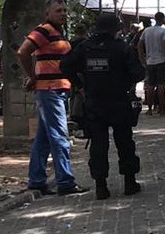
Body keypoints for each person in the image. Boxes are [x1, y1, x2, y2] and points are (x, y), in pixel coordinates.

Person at [60, 14, 146, 200]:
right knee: (124, 141)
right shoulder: (122, 48)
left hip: (94, 102)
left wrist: (80, 86)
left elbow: (65, 66)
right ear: (116, 28)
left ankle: (101, 185)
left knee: (98, 144)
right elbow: (138, 73)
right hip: (119, 101)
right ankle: (129, 182)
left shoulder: (85, 48)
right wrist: (125, 81)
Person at [17, 0, 88, 196]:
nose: (63, 14)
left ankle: (37, 180)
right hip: (50, 90)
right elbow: (23, 52)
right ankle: (65, 181)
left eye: (65, 10)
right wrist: (32, 76)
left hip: (58, 88)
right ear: (47, 14)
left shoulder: (59, 33)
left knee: (44, 139)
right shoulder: (43, 31)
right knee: (59, 136)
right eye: (58, 11)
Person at [138, 12, 165, 116]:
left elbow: (139, 45)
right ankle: (162, 109)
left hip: (150, 60)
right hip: (162, 59)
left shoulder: (147, 31)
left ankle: (149, 109)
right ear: (163, 19)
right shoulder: (164, 31)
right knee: (161, 85)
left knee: (150, 85)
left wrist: (142, 59)